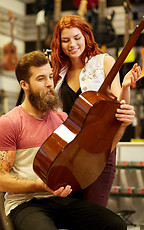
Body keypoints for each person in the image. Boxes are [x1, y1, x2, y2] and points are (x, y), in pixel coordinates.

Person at [0, 50, 128, 230]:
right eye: (40, 79)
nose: (49, 84)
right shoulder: (9, 123)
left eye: (50, 76)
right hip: (24, 204)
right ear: (24, 85)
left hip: (59, 200)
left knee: (116, 226)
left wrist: (122, 126)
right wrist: (40, 185)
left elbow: (95, 154)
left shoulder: (63, 119)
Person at [50, 15, 142, 207]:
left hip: (98, 153)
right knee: (70, 216)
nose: (72, 44)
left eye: (77, 37)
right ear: (59, 43)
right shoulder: (59, 72)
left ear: (86, 36)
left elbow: (120, 109)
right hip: (66, 154)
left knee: (93, 219)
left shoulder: (104, 62)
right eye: (65, 40)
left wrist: (125, 86)